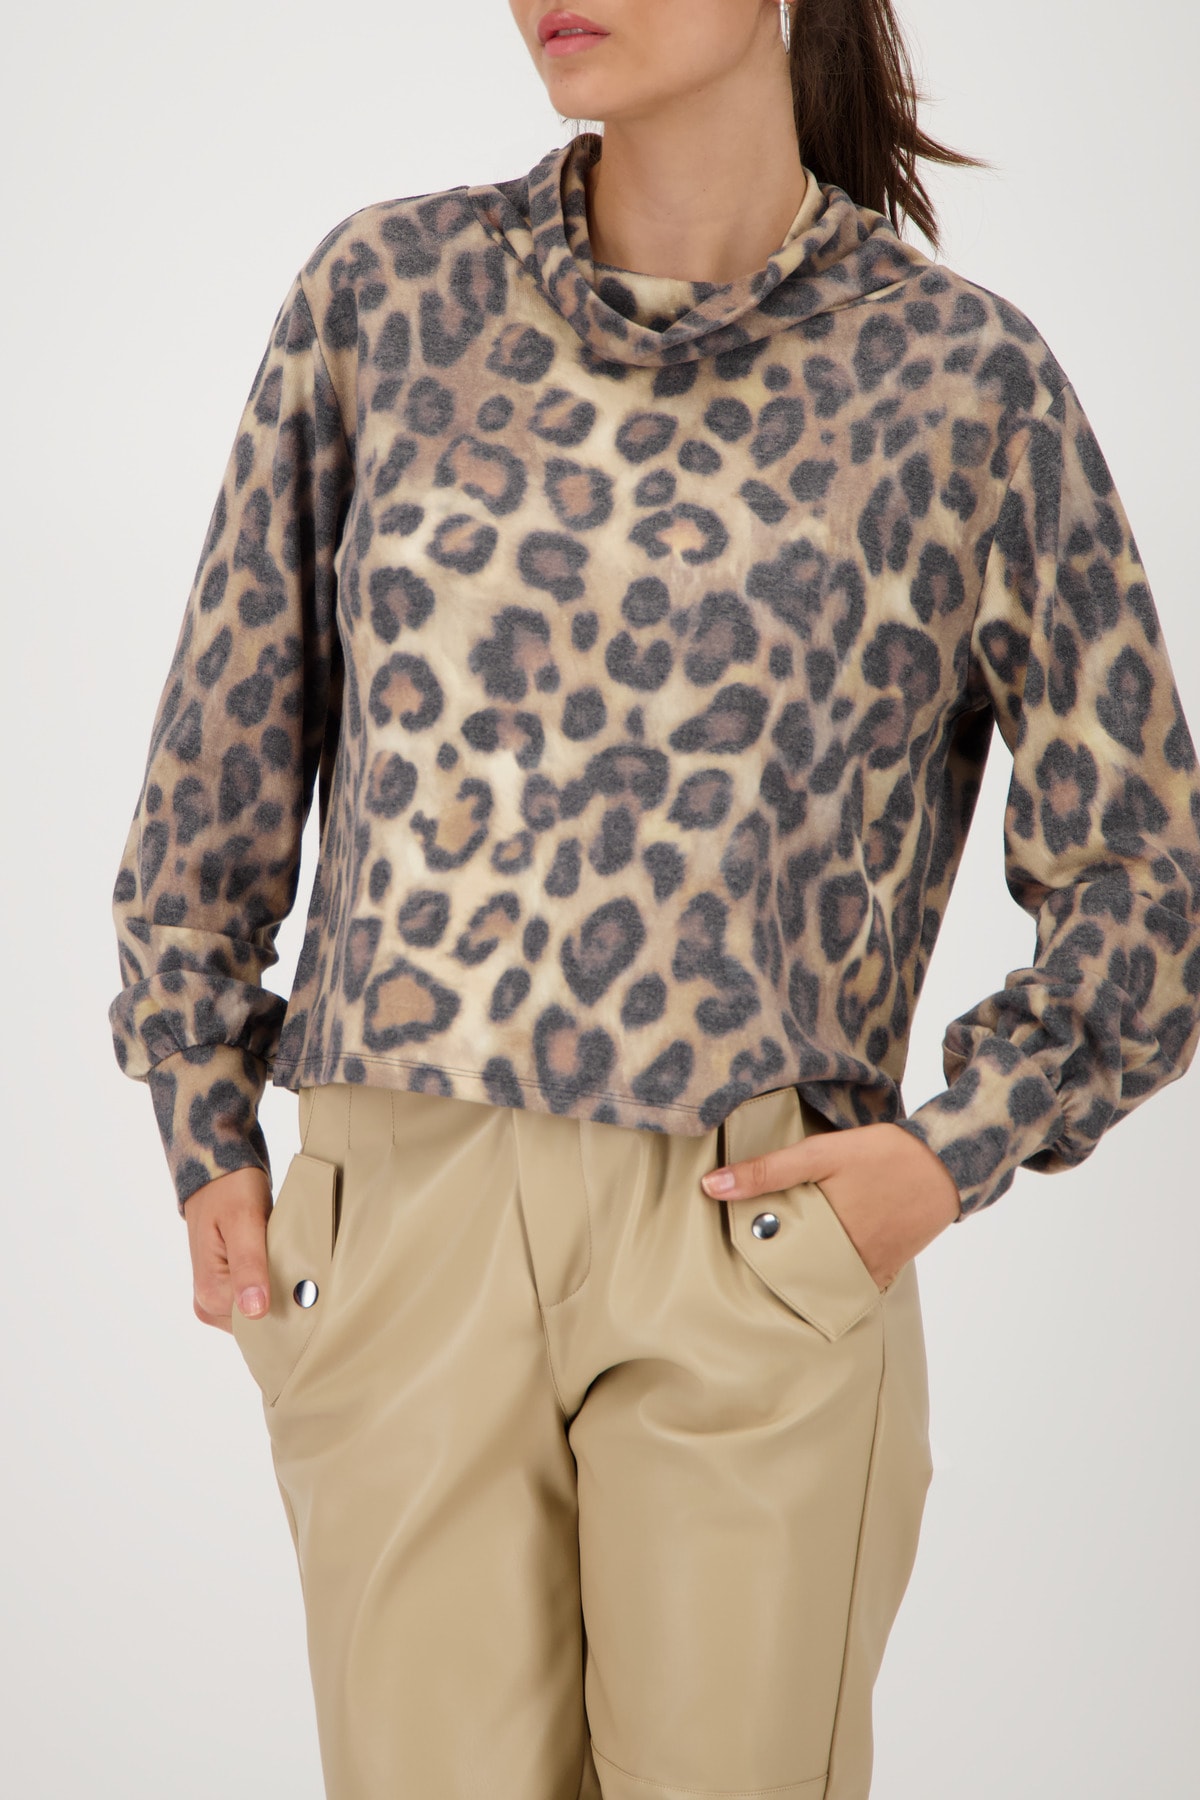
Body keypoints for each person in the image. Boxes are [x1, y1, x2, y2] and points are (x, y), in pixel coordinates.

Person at [107, 3, 1200, 1796]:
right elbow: (219, 753)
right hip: (404, 1212)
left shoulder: (961, 381)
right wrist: (200, 1112)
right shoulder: (385, 299)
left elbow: (1146, 876)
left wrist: (950, 1155)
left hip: (745, 1228)